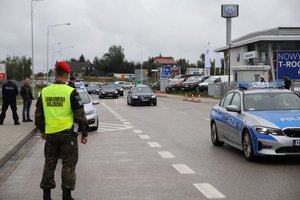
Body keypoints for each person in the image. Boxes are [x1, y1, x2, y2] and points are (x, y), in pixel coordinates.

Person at [35, 61, 89, 200]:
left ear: (55, 73)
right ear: (67, 74)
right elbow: (80, 115)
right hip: (68, 136)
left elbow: (38, 116)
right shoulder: (71, 92)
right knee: (68, 165)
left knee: (49, 164)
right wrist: (84, 133)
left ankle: (46, 195)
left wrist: (42, 131)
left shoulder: (45, 92)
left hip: (51, 136)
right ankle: (66, 195)